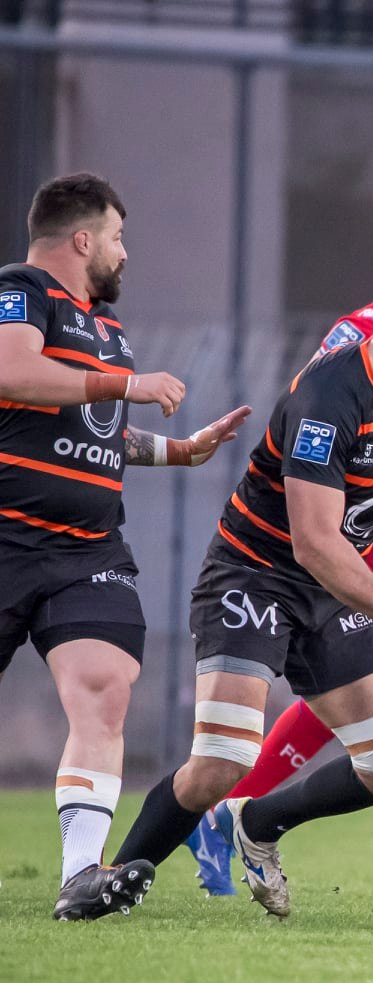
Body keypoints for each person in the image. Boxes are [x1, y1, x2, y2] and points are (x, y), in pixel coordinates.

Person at [110, 255, 373, 919]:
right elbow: (315, 542)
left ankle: (256, 824)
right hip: (256, 575)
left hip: (333, 595)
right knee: (221, 760)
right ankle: (114, 877)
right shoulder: (328, 397)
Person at [179, 187, 373, 897]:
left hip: (355, 573)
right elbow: (315, 467)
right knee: (247, 743)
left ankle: (252, 821)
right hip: (297, 566)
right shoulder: (350, 353)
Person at [0, 173, 249, 920]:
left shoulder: (107, 330)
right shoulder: (21, 290)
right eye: (115, 237)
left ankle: (82, 876)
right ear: (81, 240)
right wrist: (126, 383)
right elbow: (11, 372)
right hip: (9, 538)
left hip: (88, 551)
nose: (124, 252)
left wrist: (178, 452)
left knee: (105, 691)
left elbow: (94, 435)